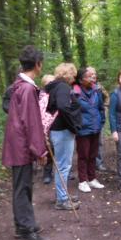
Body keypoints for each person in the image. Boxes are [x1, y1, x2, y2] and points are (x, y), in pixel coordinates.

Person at [2, 45, 50, 240]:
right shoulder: (27, 88)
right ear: (38, 65)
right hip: (20, 145)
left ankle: (22, 223)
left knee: (22, 186)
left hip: (18, 143)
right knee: (23, 187)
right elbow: (31, 122)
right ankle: (25, 231)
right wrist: (39, 150)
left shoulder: (18, 85)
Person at [46, 63, 81, 210]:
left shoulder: (53, 86)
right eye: (73, 74)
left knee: (62, 165)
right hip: (62, 130)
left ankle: (63, 194)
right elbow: (62, 107)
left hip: (56, 130)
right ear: (69, 74)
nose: (75, 77)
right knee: (63, 166)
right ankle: (62, 200)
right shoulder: (63, 87)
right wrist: (73, 126)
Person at [74, 67, 105, 193]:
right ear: (81, 80)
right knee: (83, 155)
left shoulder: (96, 90)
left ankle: (92, 179)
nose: (92, 77)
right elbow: (73, 111)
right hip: (83, 129)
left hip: (96, 128)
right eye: (88, 76)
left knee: (93, 154)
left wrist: (101, 121)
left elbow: (101, 108)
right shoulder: (75, 92)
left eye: (93, 75)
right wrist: (77, 125)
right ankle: (82, 181)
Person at [39, 74, 57, 185]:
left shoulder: (57, 94)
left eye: (53, 82)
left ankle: (65, 172)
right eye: (48, 82)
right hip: (45, 126)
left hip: (57, 125)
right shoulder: (40, 96)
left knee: (60, 149)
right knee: (48, 149)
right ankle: (47, 172)